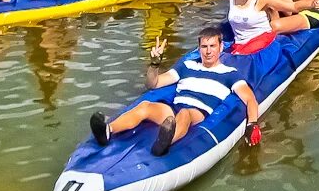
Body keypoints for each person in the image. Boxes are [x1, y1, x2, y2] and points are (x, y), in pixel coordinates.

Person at [88, 26, 262, 155]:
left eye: (212, 46)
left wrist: (252, 124)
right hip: (174, 109)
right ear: (199, 48)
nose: (208, 51)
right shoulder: (186, 65)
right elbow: (153, 84)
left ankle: (165, 142)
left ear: (220, 47)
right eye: (204, 47)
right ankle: (108, 130)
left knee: (185, 114)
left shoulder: (230, 74)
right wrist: (154, 64)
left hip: (197, 113)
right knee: (146, 105)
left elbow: (250, 100)